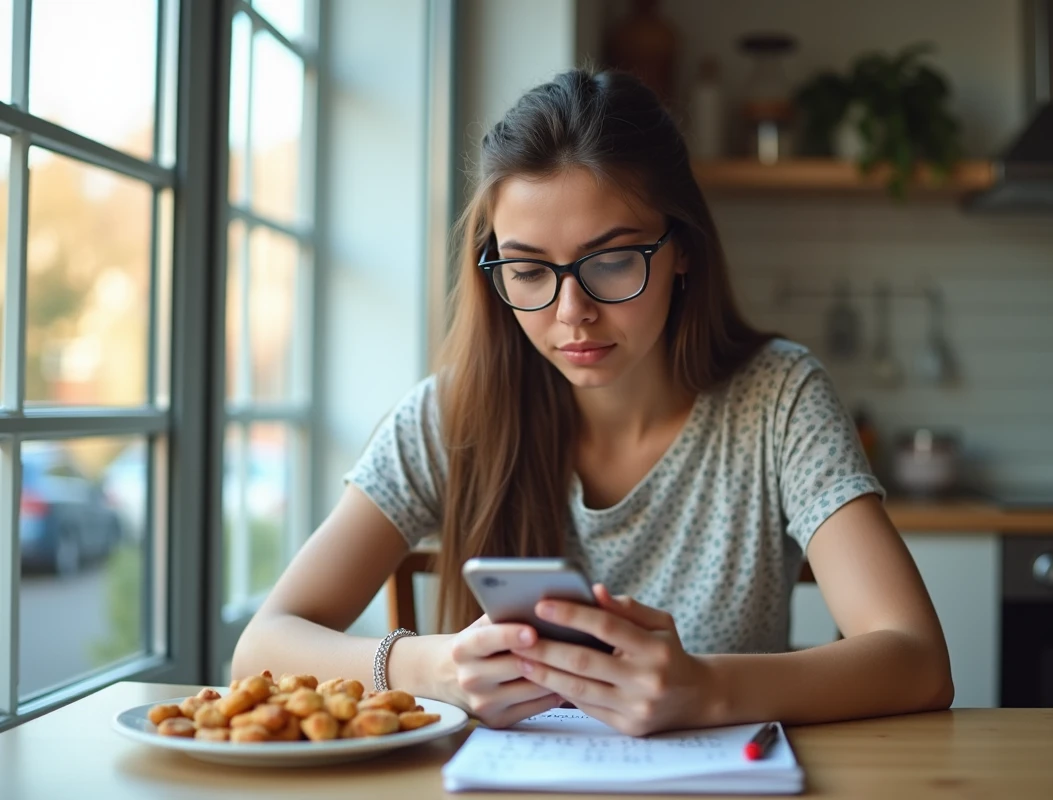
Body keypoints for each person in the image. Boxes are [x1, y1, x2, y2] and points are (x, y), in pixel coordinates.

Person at [232, 68, 953, 736]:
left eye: (611, 261)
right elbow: (260, 647)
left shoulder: (778, 399)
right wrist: (432, 667)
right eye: (528, 269)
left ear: (684, 251)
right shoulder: (453, 416)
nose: (571, 311)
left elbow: (918, 659)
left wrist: (706, 690)